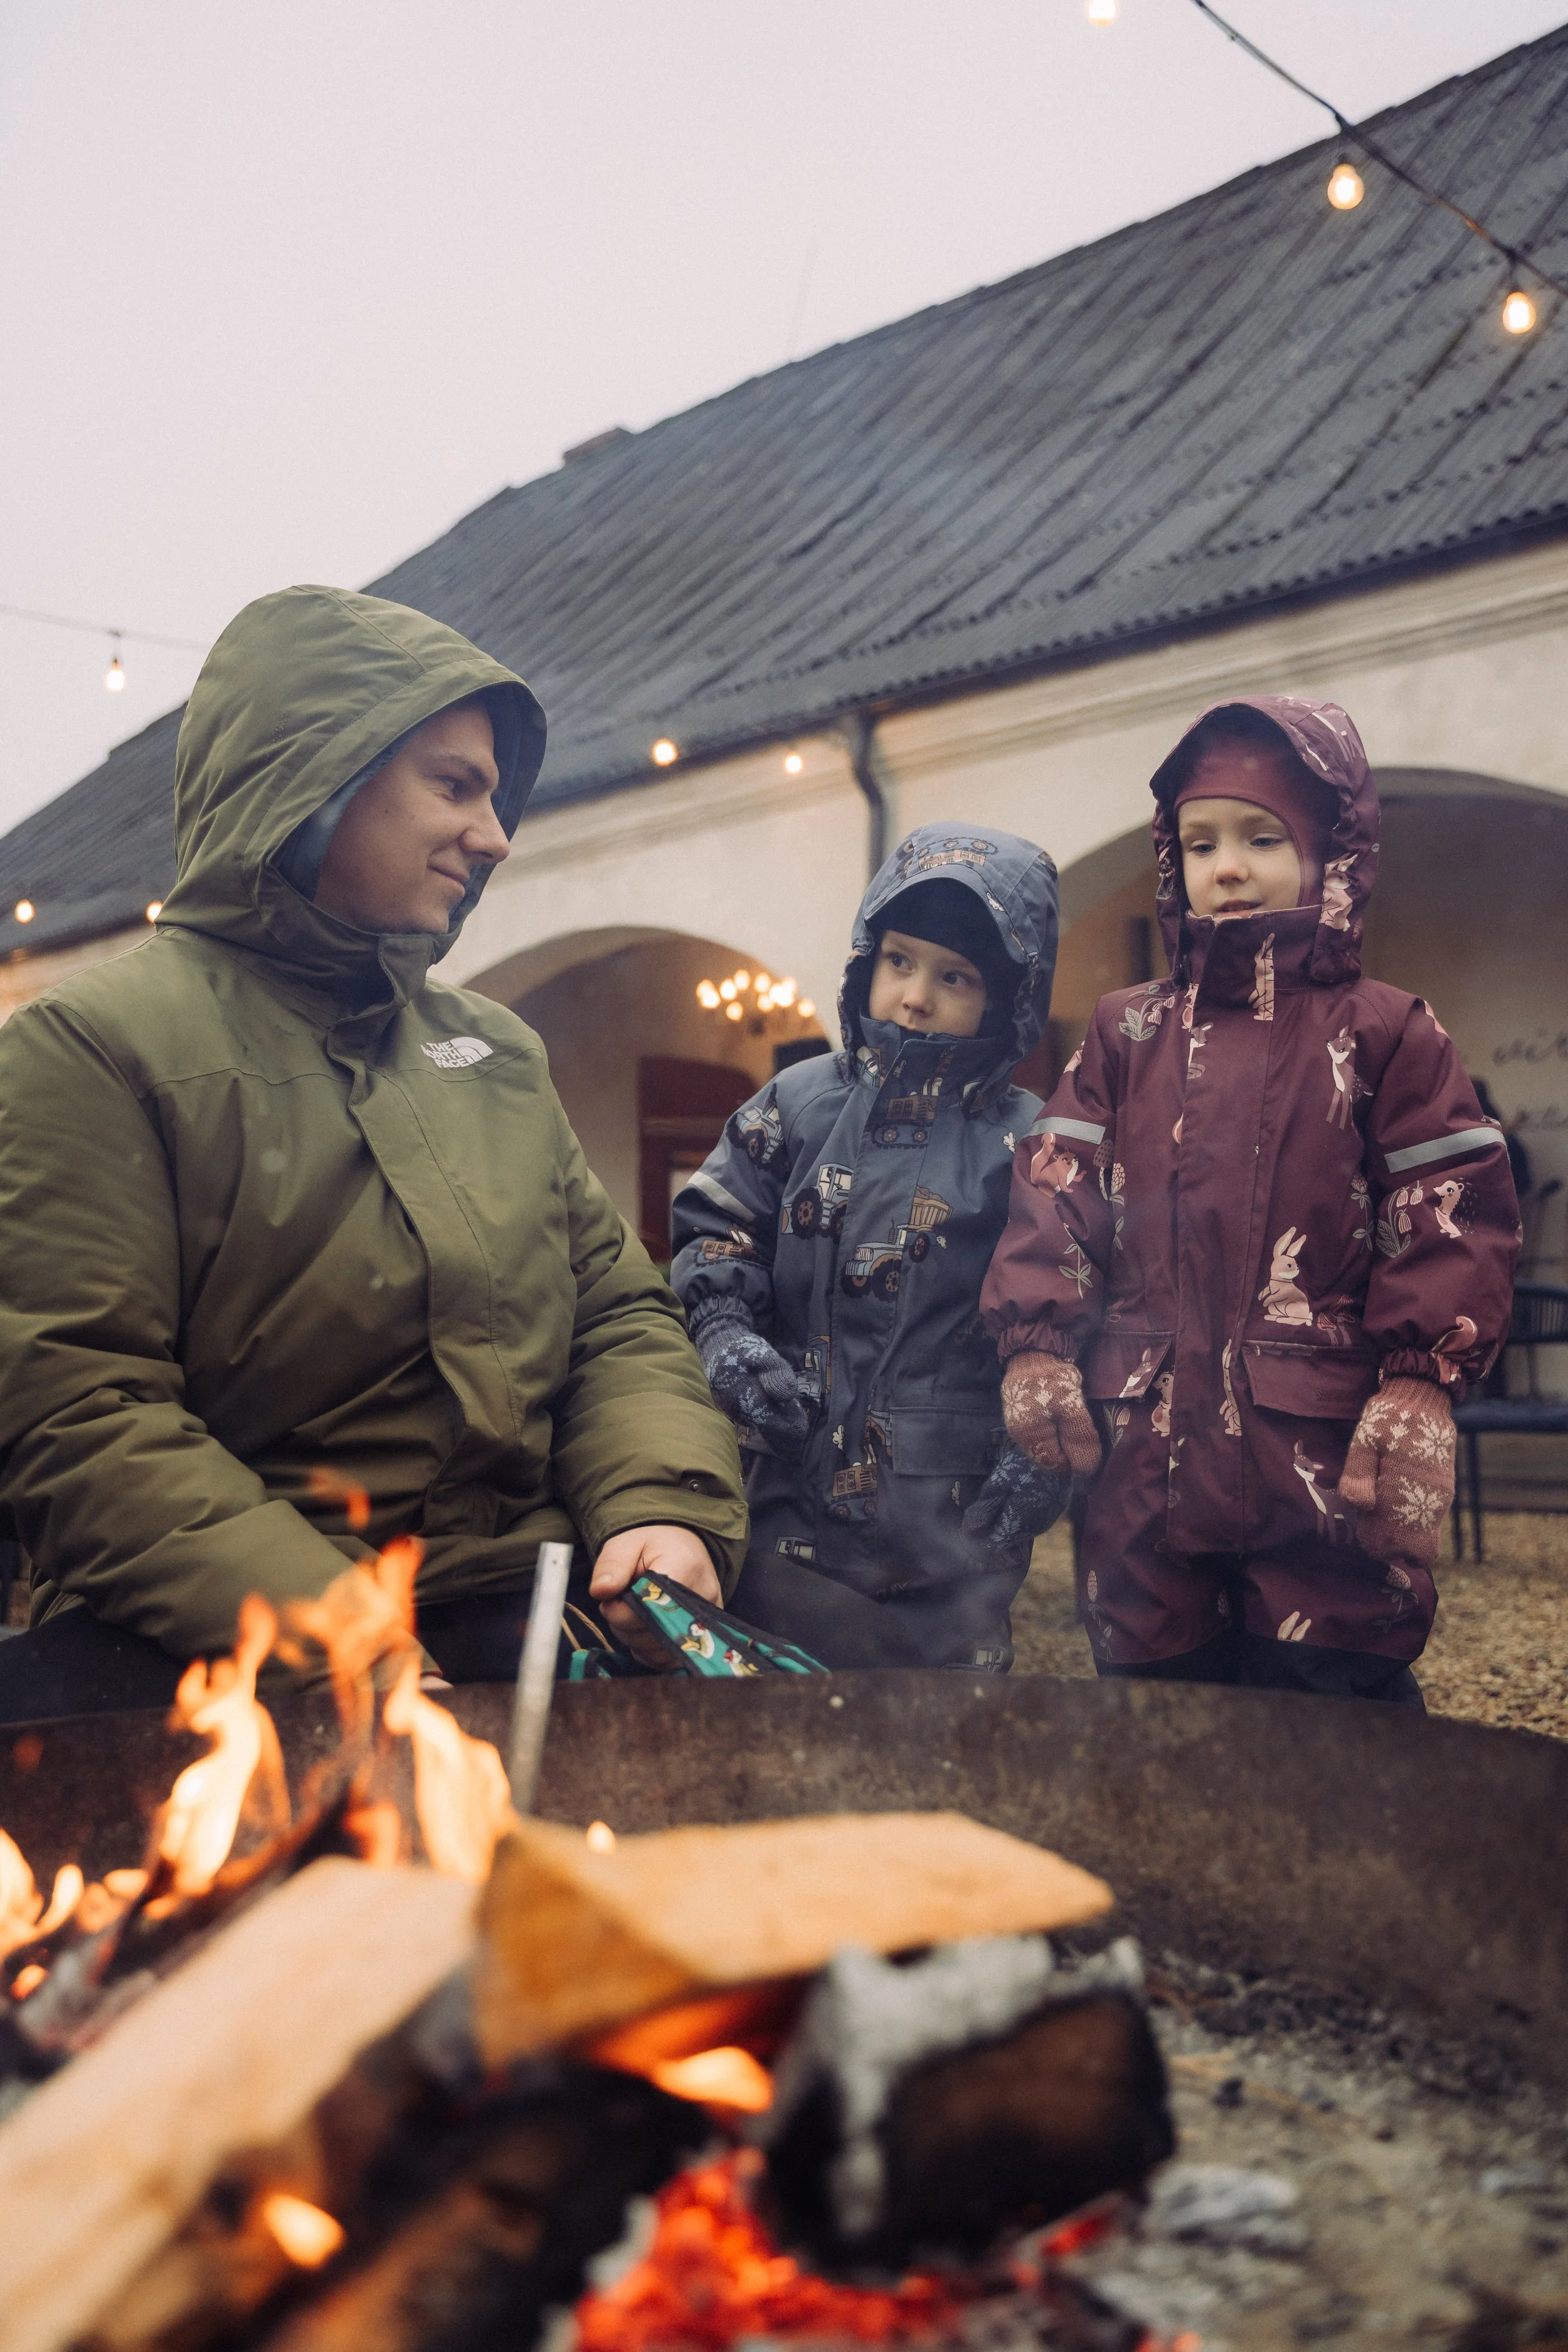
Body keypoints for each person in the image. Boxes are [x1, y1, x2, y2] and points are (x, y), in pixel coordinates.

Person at [0, 585, 746, 1712]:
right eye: (454, 784)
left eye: (495, 796)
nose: (494, 835)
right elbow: (82, 1417)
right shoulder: (92, 1050)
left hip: (524, 1605)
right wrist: (336, 1631)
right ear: (313, 782)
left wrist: (657, 1503)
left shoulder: (494, 1051)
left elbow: (615, 1317)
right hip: (220, 1648)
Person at [980, 697, 1519, 1707]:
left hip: (1317, 1456)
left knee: (1332, 1717)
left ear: (1334, 852)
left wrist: (1420, 1381)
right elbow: (1058, 1186)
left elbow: (1451, 1199)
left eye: (1262, 837)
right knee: (1159, 1704)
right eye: (1200, 842)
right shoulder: (1125, 1032)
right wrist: (1038, 1342)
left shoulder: (1385, 1030)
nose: (1227, 865)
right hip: (1147, 1446)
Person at [670, 824, 1064, 1671]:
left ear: (1008, 995)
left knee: (934, 1751)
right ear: (865, 962)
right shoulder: (799, 1105)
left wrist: (1050, 1444)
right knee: (784, 1731)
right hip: (784, 1512)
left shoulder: (1029, 1145)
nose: (915, 996)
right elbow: (718, 1226)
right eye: (898, 960)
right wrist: (725, 1331)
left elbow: (1076, 1306)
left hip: (948, 1529)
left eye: (954, 976)